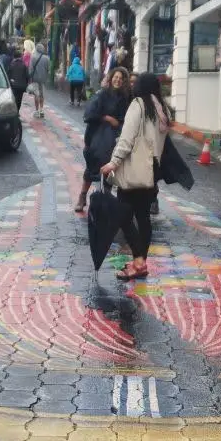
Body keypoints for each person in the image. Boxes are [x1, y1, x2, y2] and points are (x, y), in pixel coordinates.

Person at [101, 73, 170, 281]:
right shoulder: (161, 109)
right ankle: (141, 263)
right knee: (143, 217)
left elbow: (126, 139)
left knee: (122, 215)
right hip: (151, 172)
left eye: (135, 83)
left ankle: (139, 261)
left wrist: (113, 162)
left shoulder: (138, 105)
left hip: (134, 171)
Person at [77, 67, 130, 213]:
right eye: (116, 77)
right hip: (96, 138)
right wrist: (107, 118)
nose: (118, 80)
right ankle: (82, 197)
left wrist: (118, 123)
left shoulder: (124, 98)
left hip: (113, 140)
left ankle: (104, 201)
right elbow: (90, 114)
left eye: (121, 78)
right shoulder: (101, 94)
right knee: (91, 168)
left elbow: (125, 118)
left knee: (109, 170)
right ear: (111, 77)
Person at [28, 43, 50, 119]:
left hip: (35, 78)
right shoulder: (47, 58)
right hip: (43, 78)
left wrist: (29, 78)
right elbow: (48, 69)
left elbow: (30, 69)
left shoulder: (33, 57)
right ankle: (41, 110)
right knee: (42, 94)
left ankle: (37, 111)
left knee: (36, 94)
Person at [7, 46, 29, 111]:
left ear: (14, 57)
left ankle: (14, 111)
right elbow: (27, 76)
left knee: (13, 98)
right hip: (22, 86)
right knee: (19, 99)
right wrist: (26, 84)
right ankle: (17, 111)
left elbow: (8, 75)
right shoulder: (24, 65)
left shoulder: (11, 64)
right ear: (20, 57)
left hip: (13, 85)